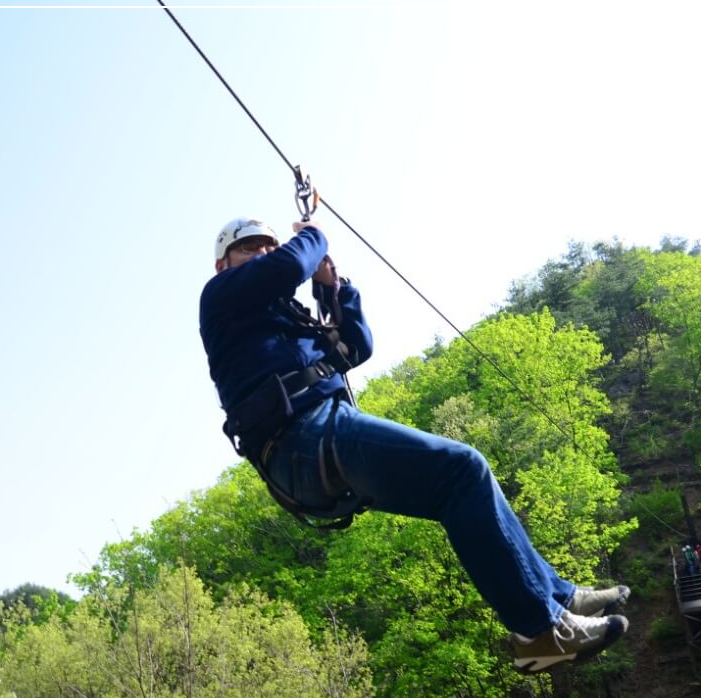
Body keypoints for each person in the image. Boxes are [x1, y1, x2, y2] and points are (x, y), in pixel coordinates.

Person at [199, 216, 630, 673]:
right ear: (223, 264)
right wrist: (313, 234)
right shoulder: (221, 297)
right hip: (301, 439)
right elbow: (286, 267)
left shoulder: (281, 319)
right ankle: (539, 629)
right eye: (249, 248)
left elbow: (356, 347)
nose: (263, 252)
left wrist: (335, 286)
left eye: (267, 245)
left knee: (459, 487)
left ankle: (555, 598)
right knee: (462, 470)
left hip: (321, 433)